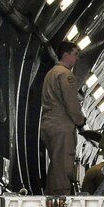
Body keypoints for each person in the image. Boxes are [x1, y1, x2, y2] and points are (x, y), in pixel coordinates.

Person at [40, 41, 86, 195]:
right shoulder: (66, 75)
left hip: (48, 124)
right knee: (63, 166)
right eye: (75, 54)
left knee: (55, 165)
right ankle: (61, 201)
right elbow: (71, 103)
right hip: (61, 126)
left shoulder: (50, 73)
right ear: (66, 55)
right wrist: (81, 121)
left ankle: (50, 196)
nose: (77, 58)